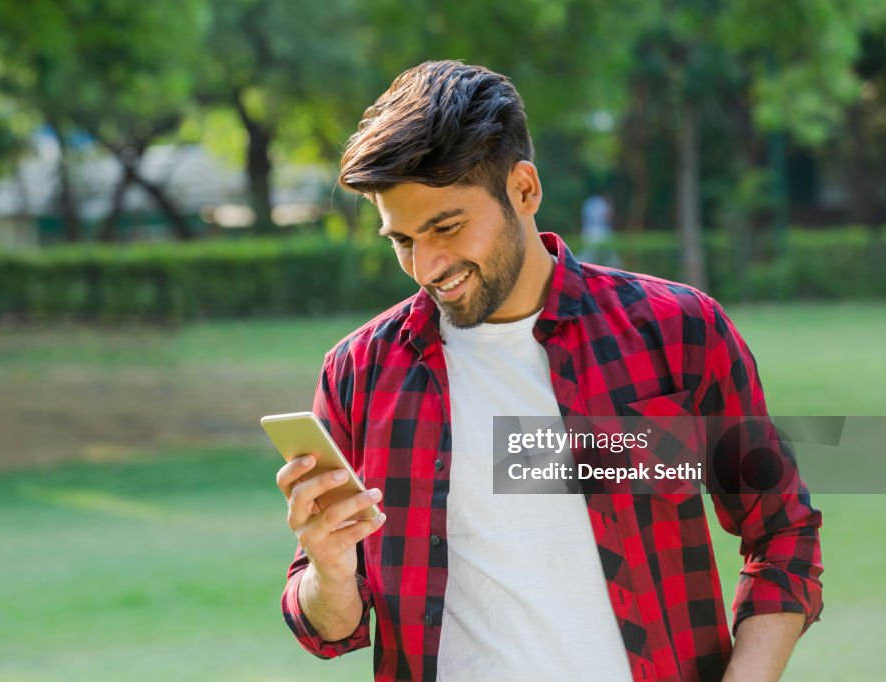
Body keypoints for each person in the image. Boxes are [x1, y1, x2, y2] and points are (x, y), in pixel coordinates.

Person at [274, 61, 822, 682]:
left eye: (446, 227)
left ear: (525, 189)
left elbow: (783, 533)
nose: (427, 265)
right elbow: (332, 626)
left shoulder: (677, 333)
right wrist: (329, 570)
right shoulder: (360, 374)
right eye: (402, 240)